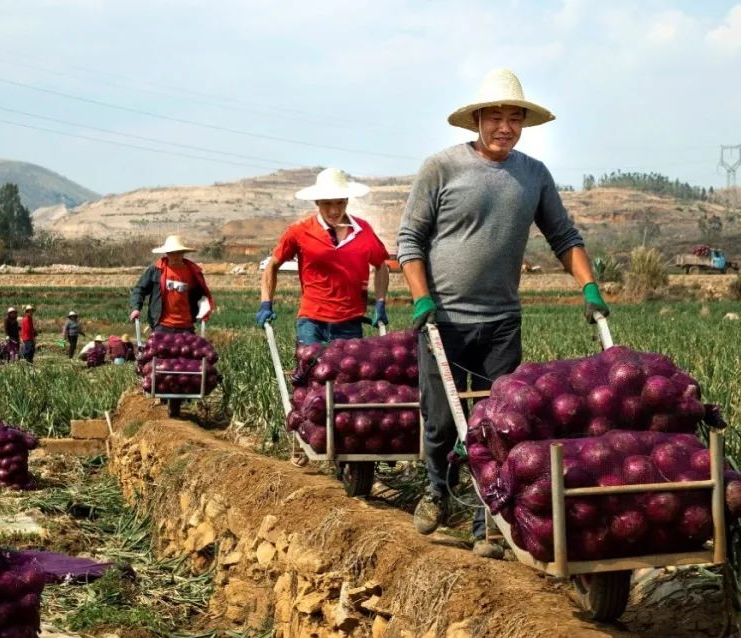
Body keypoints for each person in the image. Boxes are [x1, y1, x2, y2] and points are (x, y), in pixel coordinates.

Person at [396, 68, 609, 559]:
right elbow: (410, 239)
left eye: (515, 118)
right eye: (496, 116)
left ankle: (484, 521)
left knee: (497, 424)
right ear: (477, 119)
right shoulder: (442, 168)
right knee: (441, 424)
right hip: (442, 320)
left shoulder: (533, 175)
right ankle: (435, 491)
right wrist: (422, 297)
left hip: (501, 323)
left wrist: (590, 286)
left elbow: (564, 237)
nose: (505, 127)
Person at [257, 167, 390, 344]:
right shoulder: (299, 231)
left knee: (347, 371)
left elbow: (381, 264)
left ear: (347, 201)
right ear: (317, 202)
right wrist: (266, 303)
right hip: (312, 322)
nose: (334, 210)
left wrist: (381, 302)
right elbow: (272, 265)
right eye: (327, 203)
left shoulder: (363, 231)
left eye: (339, 203)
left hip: (350, 323)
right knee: (311, 370)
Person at [129, 235, 215, 334]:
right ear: (167, 253)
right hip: (162, 325)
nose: (175, 256)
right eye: (172, 253)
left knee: (188, 349)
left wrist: (204, 311)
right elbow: (140, 290)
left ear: (183, 254)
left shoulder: (193, 272)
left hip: (186, 325)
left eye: (178, 253)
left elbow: (202, 296)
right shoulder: (156, 270)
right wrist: (135, 308)